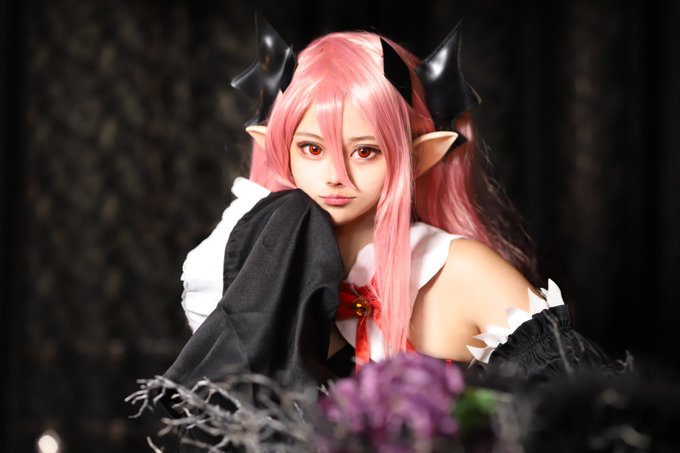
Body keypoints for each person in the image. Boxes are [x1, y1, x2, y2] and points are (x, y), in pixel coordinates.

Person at [175, 19, 609, 390]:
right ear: (277, 149)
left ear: (421, 156)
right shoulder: (259, 265)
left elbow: (585, 408)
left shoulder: (460, 271)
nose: (336, 175)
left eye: (365, 151)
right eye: (312, 149)